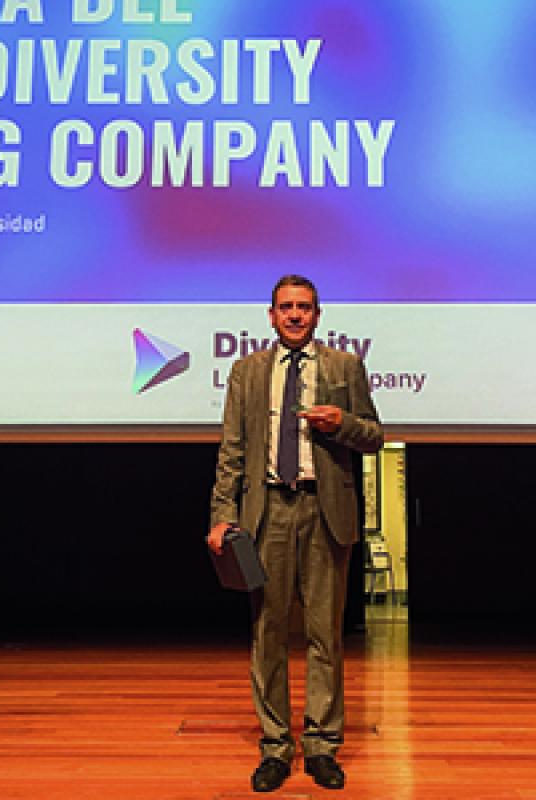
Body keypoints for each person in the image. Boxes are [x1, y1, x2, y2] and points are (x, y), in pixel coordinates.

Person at [208, 275, 383, 792]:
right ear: (270, 315)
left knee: (324, 634)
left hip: (324, 510)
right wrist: (222, 512)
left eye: (303, 307)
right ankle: (276, 747)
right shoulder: (247, 371)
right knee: (267, 633)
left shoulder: (344, 366)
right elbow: (231, 449)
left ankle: (323, 746)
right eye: (285, 307)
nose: (294, 316)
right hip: (267, 514)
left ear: (318, 315)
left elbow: (374, 435)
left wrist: (341, 423)